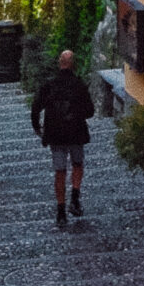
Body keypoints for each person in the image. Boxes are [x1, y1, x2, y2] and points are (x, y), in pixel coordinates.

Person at [31, 49, 95, 224]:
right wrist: (77, 114)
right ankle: (75, 196)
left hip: (55, 134)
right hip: (76, 133)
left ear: (60, 63)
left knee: (59, 171)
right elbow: (90, 111)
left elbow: (36, 107)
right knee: (77, 164)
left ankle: (61, 211)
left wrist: (37, 127)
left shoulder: (50, 85)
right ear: (73, 64)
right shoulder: (79, 85)